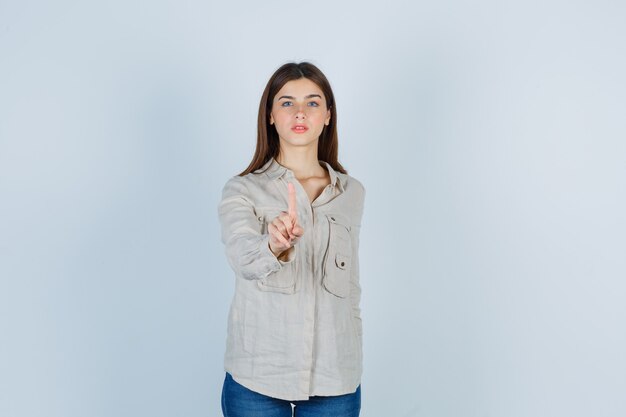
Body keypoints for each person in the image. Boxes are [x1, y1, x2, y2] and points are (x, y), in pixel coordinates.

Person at [217, 61, 366, 417]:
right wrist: (273, 244)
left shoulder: (352, 192)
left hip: (335, 379)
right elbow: (241, 257)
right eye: (287, 102)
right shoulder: (242, 189)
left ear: (328, 115)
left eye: (312, 102)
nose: (300, 112)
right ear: (270, 115)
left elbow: (351, 288)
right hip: (258, 378)